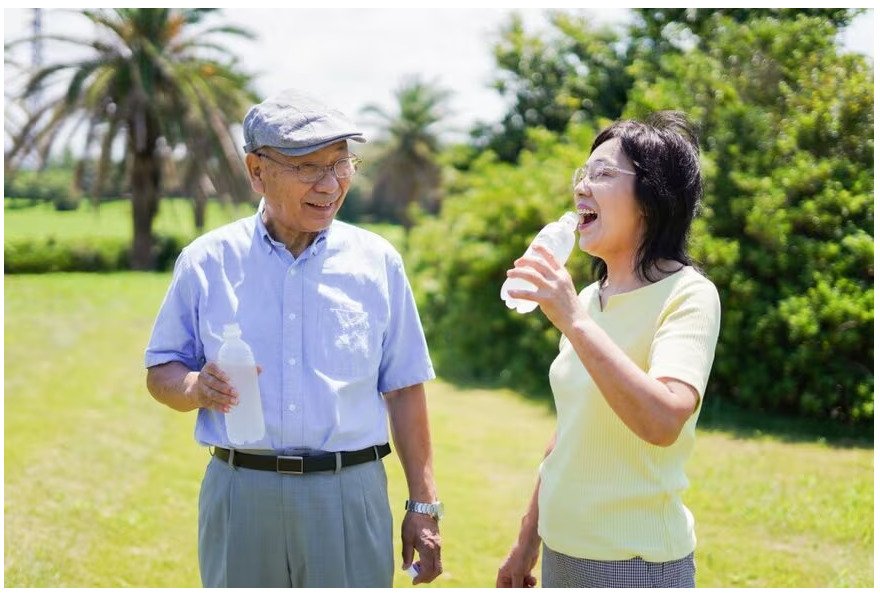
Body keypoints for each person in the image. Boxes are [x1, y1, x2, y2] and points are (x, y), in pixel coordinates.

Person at [145, 89, 443, 588]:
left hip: (350, 496)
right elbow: (162, 371)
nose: (330, 184)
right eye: (308, 167)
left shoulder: (377, 262)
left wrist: (424, 504)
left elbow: (405, 387)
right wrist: (196, 388)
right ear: (257, 171)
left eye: (341, 164)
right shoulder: (206, 261)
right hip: (242, 494)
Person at [496, 111, 721, 588]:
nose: (582, 188)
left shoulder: (688, 294)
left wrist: (573, 322)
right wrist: (525, 545)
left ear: (652, 197)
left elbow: (663, 421)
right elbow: (568, 437)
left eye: (602, 174)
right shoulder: (587, 300)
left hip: (634, 563)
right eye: (583, 174)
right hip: (563, 551)